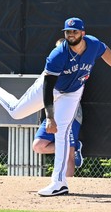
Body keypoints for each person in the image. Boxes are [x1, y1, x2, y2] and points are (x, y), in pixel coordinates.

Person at [0, 17, 111, 196]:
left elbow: (105, 51)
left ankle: (59, 182)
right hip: (50, 89)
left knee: (63, 134)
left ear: (83, 33)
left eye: (74, 31)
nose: (71, 34)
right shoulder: (58, 54)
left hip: (72, 92)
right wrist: (50, 118)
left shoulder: (93, 44)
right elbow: (48, 89)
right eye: (67, 32)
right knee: (16, 112)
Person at [33, 38, 84, 176]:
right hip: (53, 115)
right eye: (57, 49)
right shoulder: (52, 65)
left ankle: (65, 186)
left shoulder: (75, 66)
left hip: (70, 113)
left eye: (63, 49)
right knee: (38, 146)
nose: (59, 52)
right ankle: (72, 147)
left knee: (69, 154)